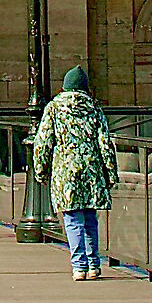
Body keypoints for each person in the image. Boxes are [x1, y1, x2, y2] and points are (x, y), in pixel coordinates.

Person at [31, 65, 117, 280]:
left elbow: (43, 141)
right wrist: (111, 173)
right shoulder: (94, 108)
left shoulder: (54, 108)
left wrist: (40, 169)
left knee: (72, 219)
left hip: (65, 170)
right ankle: (94, 265)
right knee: (90, 218)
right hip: (92, 170)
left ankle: (79, 266)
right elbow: (105, 142)